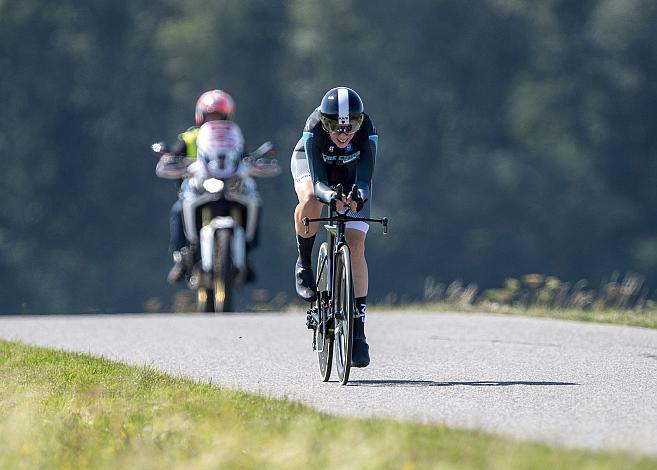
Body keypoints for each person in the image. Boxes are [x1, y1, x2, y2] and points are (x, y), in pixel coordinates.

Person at [291, 86, 378, 367]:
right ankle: (304, 262)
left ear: (360, 122)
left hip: (350, 172)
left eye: (350, 126)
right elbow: (317, 183)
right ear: (324, 122)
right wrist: (331, 197)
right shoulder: (314, 128)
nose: (343, 134)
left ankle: (359, 330)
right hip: (315, 168)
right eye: (335, 126)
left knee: (355, 243)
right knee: (310, 200)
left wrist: (359, 196)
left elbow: (364, 179)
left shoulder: (367, 132)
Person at [156, 89, 260, 283]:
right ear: (201, 116)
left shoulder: (234, 136)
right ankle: (181, 258)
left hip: (230, 186)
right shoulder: (190, 137)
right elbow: (174, 155)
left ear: (227, 115)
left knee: (255, 202)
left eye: (218, 115)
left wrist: (254, 163)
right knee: (178, 209)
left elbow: (244, 157)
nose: (214, 119)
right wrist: (170, 158)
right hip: (200, 186)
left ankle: (247, 253)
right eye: (210, 115)